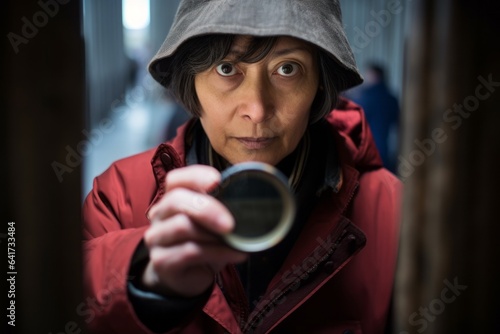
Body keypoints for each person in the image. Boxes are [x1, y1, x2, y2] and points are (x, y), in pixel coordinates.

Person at [82, 1, 402, 333]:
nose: (257, 109)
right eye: (226, 68)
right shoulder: (119, 197)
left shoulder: (392, 212)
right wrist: (146, 286)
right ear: (190, 79)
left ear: (320, 83)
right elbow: (40, 306)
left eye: (287, 69)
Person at [349, 63, 400, 173]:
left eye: (367, 75)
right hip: (385, 151)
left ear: (374, 76)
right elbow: (397, 123)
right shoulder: (392, 99)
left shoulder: (363, 98)